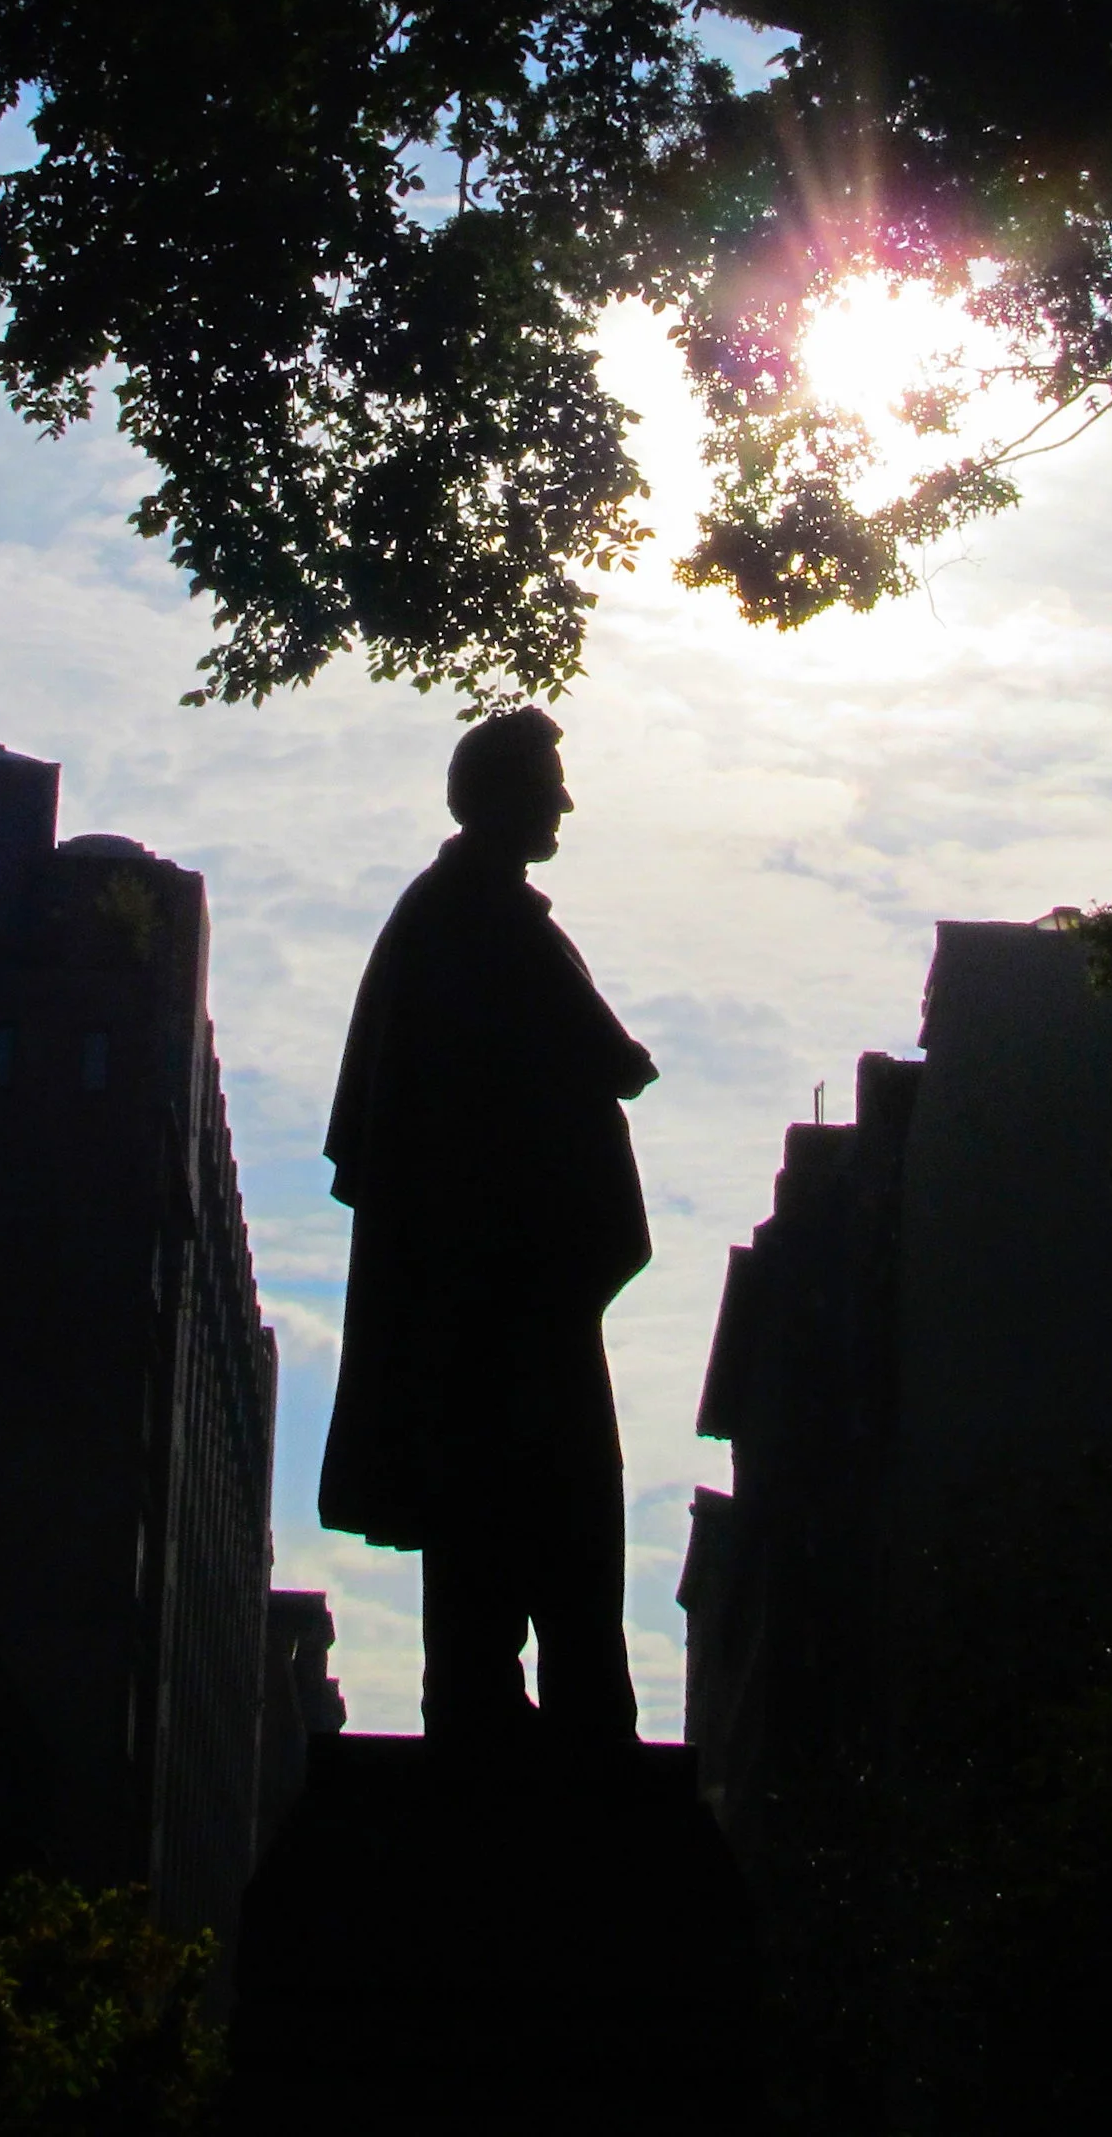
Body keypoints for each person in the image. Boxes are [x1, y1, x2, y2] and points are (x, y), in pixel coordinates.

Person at [319, 708, 659, 1753]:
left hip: (501, 1296)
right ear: (502, 794)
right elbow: (614, 1061)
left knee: (519, 1529)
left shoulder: (464, 915)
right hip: (501, 1302)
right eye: (549, 781)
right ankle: (538, 1736)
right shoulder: (475, 920)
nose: (564, 801)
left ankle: (512, 1720)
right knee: (543, 1524)